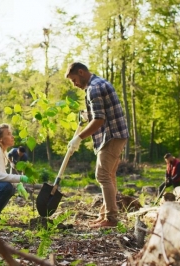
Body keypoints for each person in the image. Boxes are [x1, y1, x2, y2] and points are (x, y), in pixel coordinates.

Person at [65, 62, 129, 228]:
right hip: (116, 134)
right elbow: (101, 112)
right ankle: (106, 215)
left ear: (81, 72)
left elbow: (99, 120)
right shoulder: (99, 83)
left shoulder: (94, 88)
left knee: (102, 175)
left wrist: (78, 137)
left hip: (111, 135)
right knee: (109, 175)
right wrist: (88, 115)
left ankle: (111, 218)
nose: (75, 84)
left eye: (74, 80)